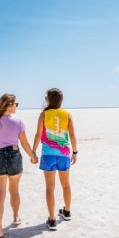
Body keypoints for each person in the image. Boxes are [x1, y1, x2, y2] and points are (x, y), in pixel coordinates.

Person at [0, 93, 38, 238]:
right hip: (14, 155)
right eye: (15, 104)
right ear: (9, 105)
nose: (16, 107)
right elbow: (24, 143)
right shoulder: (19, 122)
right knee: (14, 191)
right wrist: (32, 156)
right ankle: (16, 216)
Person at [32, 88, 77, 230]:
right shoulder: (67, 114)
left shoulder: (44, 114)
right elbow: (72, 135)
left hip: (48, 154)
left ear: (48, 100)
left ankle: (52, 220)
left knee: (50, 187)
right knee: (66, 184)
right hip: (64, 154)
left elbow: (38, 134)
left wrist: (33, 151)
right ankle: (67, 211)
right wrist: (75, 152)